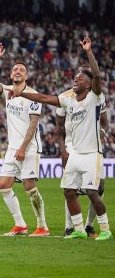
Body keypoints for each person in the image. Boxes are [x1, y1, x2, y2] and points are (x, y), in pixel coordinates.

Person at [11, 37, 111, 241]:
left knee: (93, 192)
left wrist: (89, 52)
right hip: (75, 154)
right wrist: (21, 93)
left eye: (80, 79)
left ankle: (105, 229)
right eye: (75, 78)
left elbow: (98, 77)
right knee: (68, 191)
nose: (75, 80)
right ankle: (78, 229)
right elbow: (45, 99)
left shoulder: (95, 98)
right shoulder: (68, 100)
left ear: (89, 84)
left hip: (93, 153)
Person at [0, 43, 49, 237]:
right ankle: (20, 225)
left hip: (28, 148)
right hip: (13, 148)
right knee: (4, 185)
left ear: (26, 76)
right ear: (11, 75)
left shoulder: (34, 95)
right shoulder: (8, 91)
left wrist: (22, 147)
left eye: (21, 70)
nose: (17, 71)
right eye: (15, 69)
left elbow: (33, 124)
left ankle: (42, 226)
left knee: (29, 186)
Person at [58, 65, 108, 237]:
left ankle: (88, 225)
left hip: (91, 144)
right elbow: (59, 127)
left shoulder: (95, 97)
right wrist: (63, 150)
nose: (78, 78)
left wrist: (101, 132)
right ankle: (70, 226)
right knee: (70, 187)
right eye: (78, 75)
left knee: (98, 188)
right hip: (72, 145)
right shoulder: (65, 97)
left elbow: (104, 120)